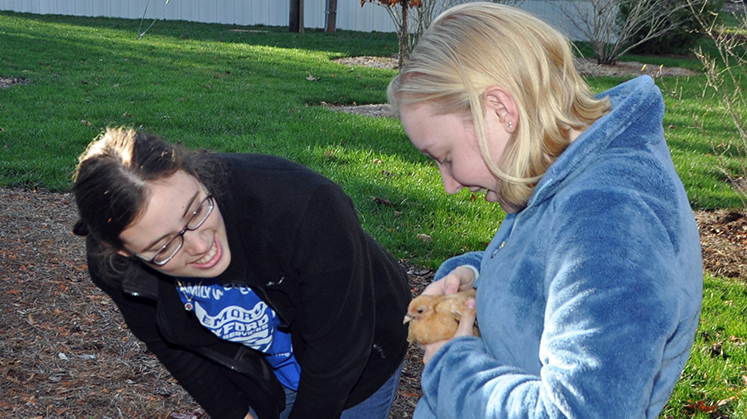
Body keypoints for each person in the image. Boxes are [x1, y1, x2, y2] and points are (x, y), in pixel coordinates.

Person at [387, 3, 702, 418]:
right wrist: (474, 274)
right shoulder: (563, 172)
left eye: (445, 156)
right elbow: (551, 279)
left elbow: (581, 411)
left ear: (501, 111)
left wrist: (452, 368)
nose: (449, 183)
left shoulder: (610, 213)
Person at [71, 127, 411, 419]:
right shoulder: (118, 269)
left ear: (195, 175)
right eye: (164, 247)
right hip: (260, 368)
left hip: (358, 354)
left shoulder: (305, 207)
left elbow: (338, 353)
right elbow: (174, 348)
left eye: (196, 211)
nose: (202, 245)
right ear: (123, 250)